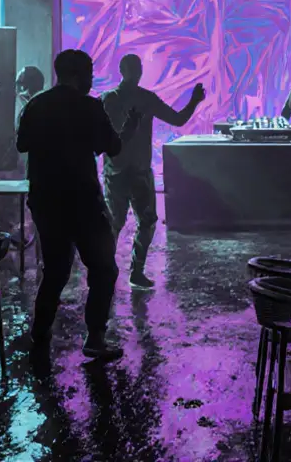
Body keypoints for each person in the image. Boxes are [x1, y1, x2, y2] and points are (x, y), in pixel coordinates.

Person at [17, 49, 140, 362]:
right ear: (77, 74)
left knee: (55, 270)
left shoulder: (36, 104)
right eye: (90, 72)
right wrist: (125, 128)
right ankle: (95, 337)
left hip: (46, 202)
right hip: (83, 202)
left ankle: (40, 333)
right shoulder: (89, 107)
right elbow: (112, 148)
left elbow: (22, 144)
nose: (92, 78)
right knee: (103, 268)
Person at [100, 54, 205, 288]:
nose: (137, 72)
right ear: (124, 70)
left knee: (131, 223)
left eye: (138, 68)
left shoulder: (114, 99)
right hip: (129, 172)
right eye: (134, 68)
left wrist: (194, 101)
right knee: (127, 223)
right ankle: (122, 272)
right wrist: (194, 101)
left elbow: (177, 120)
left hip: (127, 171)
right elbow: (177, 119)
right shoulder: (125, 99)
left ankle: (118, 272)